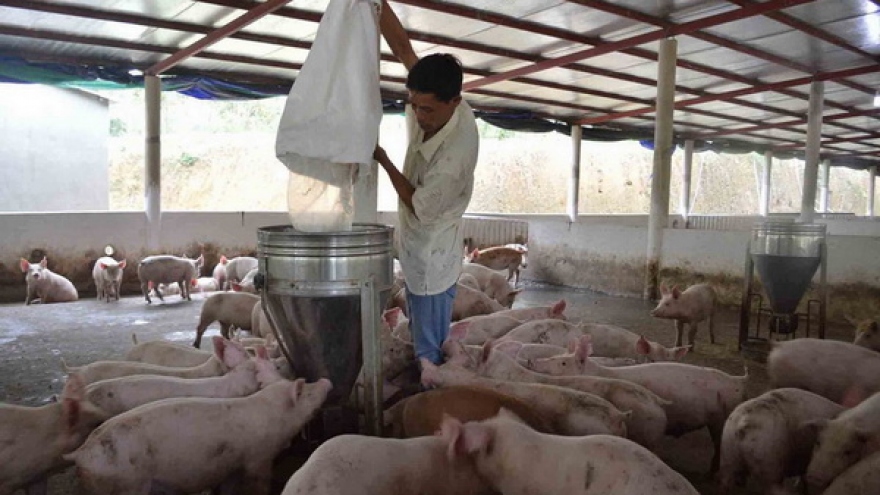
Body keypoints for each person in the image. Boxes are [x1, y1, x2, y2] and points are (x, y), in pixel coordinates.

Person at [373, 0, 479, 365]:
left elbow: (419, 205)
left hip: (433, 259)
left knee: (429, 346)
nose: (419, 116)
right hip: (418, 250)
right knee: (421, 329)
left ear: (455, 102)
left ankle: (433, 388)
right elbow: (403, 49)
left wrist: (384, 160)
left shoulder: (453, 160)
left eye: (428, 109)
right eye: (414, 105)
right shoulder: (440, 95)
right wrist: (377, 4)